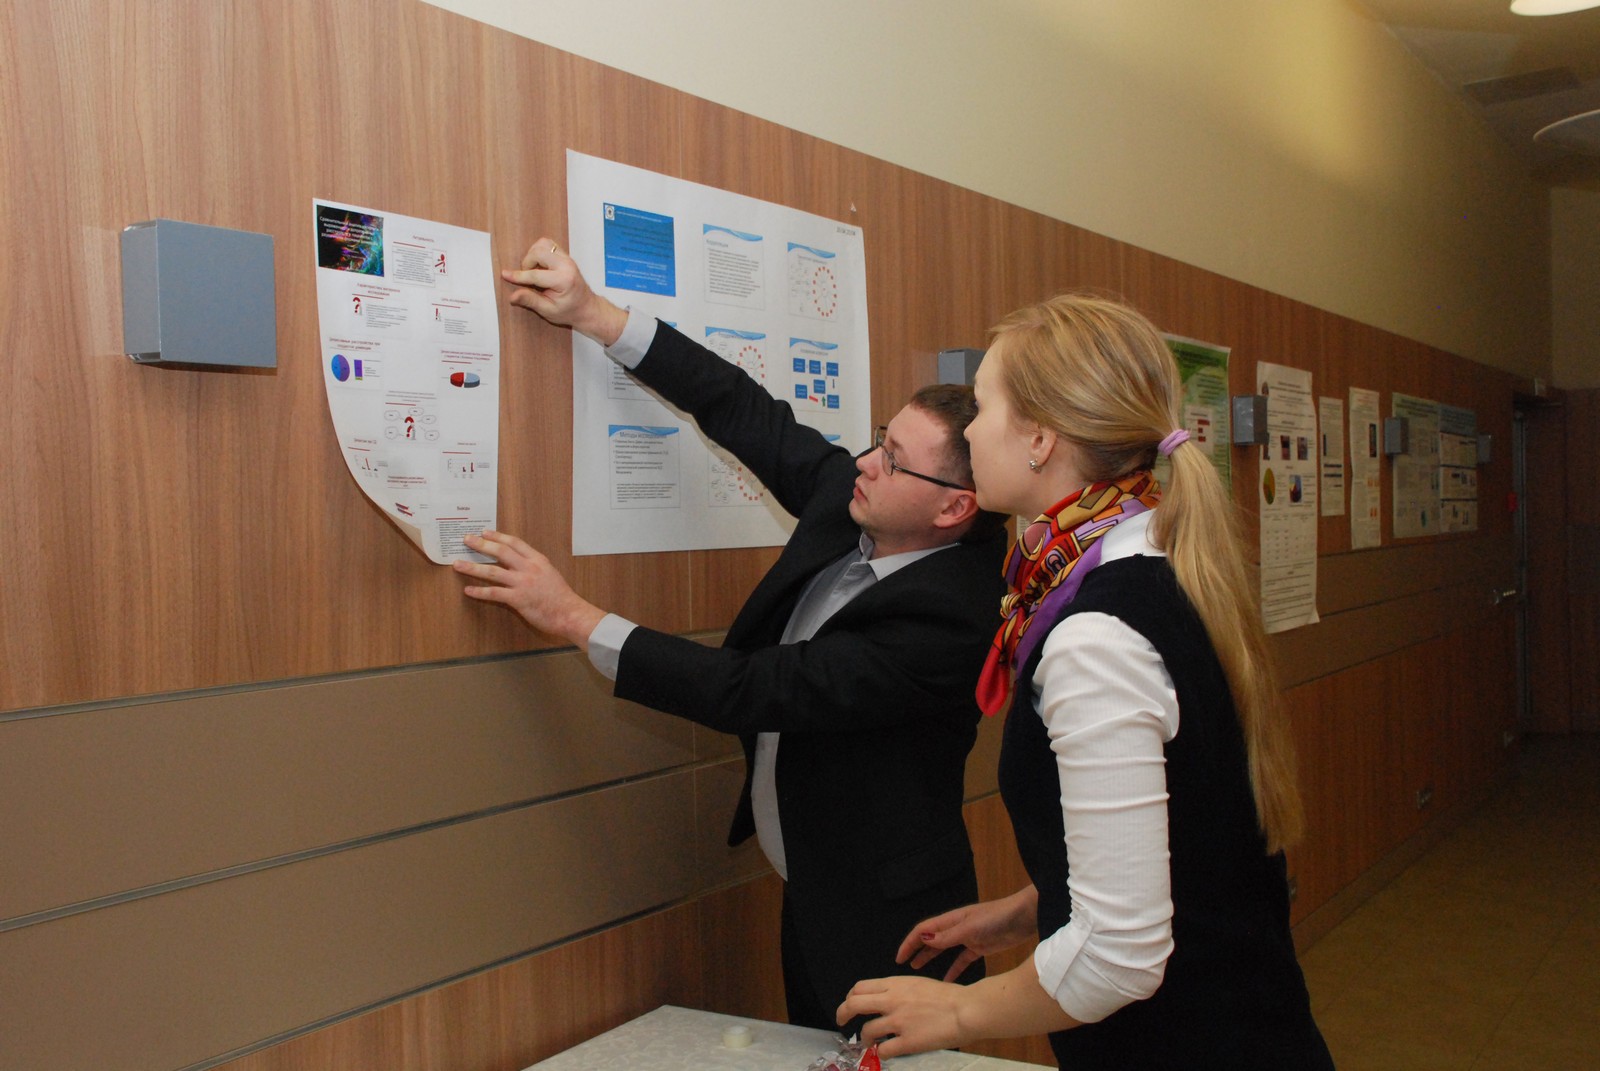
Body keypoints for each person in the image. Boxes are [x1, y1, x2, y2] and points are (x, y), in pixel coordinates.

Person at [454, 238, 1011, 1030]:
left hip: (892, 922)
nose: (863, 462)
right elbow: (742, 408)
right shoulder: (856, 502)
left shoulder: (952, 618)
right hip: (812, 882)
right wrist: (597, 315)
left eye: (892, 460)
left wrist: (570, 614)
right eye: (879, 438)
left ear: (954, 508)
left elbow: (750, 689)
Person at [836, 293, 1334, 1068]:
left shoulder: (1097, 636)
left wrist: (959, 1010)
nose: (970, 430)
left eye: (983, 406)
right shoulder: (1153, 560)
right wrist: (1027, 911)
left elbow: (1120, 954)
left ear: (1039, 438)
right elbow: (1186, 833)